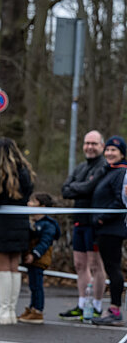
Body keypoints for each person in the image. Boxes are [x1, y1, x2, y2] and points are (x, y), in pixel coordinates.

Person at [0, 138, 35, 325]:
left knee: (3, 267)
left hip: (2, 226)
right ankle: (10, 310)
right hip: (20, 224)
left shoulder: (0, 175)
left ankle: (4, 310)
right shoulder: (25, 173)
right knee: (14, 267)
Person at [59, 130, 107, 321]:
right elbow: (65, 190)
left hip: (95, 223)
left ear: (101, 146)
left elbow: (89, 188)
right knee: (80, 264)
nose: (90, 147)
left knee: (96, 265)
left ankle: (96, 305)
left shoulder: (103, 166)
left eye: (94, 144)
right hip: (79, 220)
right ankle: (82, 304)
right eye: (87, 143)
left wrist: (77, 188)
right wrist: (80, 188)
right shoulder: (80, 168)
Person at [89, 136, 127, 326]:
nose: (110, 153)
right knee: (110, 267)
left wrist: (102, 217)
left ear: (122, 153)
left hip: (112, 228)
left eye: (114, 150)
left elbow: (120, 200)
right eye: (108, 150)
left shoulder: (121, 172)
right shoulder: (109, 171)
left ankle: (115, 309)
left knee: (113, 268)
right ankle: (113, 308)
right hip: (104, 228)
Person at [18, 193, 60, 325]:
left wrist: (34, 254)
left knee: (37, 285)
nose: (29, 204)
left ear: (42, 206)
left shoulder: (48, 225)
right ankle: (31, 307)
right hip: (31, 258)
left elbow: (45, 242)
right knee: (32, 284)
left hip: (39, 259)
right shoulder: (32, 222)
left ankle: (37, 310)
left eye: (33, 202)